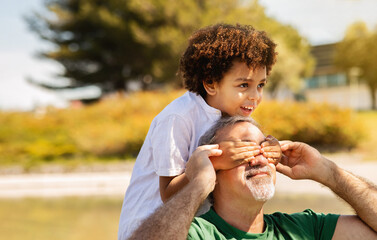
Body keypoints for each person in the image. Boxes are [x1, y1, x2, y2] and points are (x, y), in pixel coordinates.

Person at [118, 23, 281, 239]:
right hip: (152, 227)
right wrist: (213, 163)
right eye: (243, 85)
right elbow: (167, 193)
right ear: (211, 83)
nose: (255, 96)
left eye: (260, 85)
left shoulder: (235, 113)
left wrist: (272, 151)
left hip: (197, 228)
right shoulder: (178, 118)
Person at [128, 116, 377, 240]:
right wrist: (199, 184)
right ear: (214, 165)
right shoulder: (196, 233)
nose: (258, 158)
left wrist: (328, 172)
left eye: (264, 149)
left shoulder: (303, 229)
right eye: (242, 152)